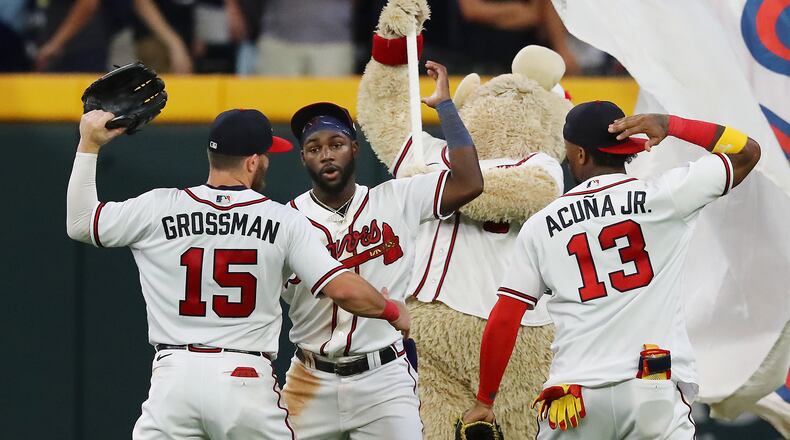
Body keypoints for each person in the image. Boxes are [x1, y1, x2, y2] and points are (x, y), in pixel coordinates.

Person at [65, 108, 410, 439]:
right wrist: (393, 311)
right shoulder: (283, 220)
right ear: (252, 161)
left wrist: (89, 144)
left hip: (174, 378)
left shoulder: (158, 206)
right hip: (244, 379)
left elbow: (81, 223)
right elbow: (343, 289)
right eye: (266, 155)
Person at [462, 100, 761, 438]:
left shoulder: (541, 225)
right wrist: (671, 124)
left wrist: (485, 400)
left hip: (574, 399)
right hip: (651, 387)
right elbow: (748, 152)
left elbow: (506, 315)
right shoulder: (666, 195)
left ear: (579, 154)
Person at [281, 61, 483, 439]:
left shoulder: (396, 199)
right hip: (309, 377)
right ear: (303, 158)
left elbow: (470, 182)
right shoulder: (285, 221)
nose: (326, 154)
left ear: (354, 149)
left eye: (336, 144)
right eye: (314, 147)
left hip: (383, 378)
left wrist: (446, 109)